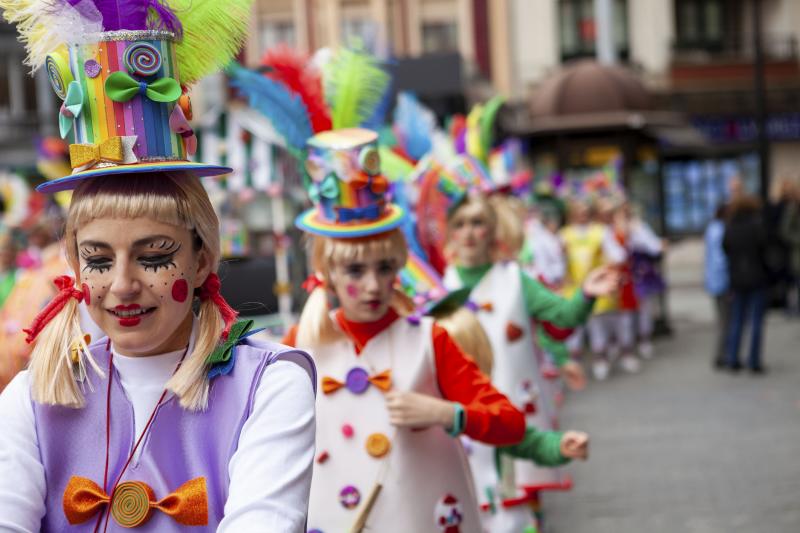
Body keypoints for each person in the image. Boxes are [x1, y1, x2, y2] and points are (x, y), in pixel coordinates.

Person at [0, 3, 316, 530]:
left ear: (202, 260)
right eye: (97, 260)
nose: (122, 285)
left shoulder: (271, 384)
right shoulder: (29, 399)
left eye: (153, 256)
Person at [282, 128, 525, 533]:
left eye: (385, 268)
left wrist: (447, 413)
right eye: (356, 270)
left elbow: (510, 423)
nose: (375, 285)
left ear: (399, 268)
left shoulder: (430, 339)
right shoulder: (298, 346)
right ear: (328, 273)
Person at [441, 186, 619, 501]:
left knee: (516, 507)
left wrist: (586, 295)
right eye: (460, 224)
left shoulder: (514, 279)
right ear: (450, 232)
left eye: (477, 223)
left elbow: (563, 316)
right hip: (458, 422)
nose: (468, 232)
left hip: (511, 416)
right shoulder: (437, 285)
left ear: (492, 230)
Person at [723, 195, 769, 373]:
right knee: (756, 320)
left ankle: (733, 358)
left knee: (737, 319)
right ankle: (754, 360)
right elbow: (764, 249)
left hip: (736, 278)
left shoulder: (730, 226)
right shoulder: (756, 225)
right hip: (756, 277)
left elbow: (725, 248)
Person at [704, 205, 730, 369]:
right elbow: (721, 259)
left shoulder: (711, 229)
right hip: (722, 281)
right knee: (725, 321)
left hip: (713, 280)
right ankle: (722, 355)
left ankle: (723, 354)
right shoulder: (721, 231)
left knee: (722, 320)